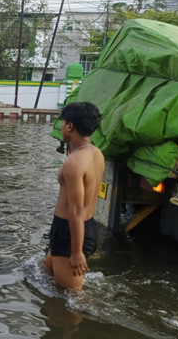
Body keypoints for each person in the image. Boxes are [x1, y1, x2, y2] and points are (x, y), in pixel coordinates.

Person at [43, 101, 105, 290]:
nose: (60, 125)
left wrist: (77, 252)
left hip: (70, 232)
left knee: (71, 298)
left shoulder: (75, 163)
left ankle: (80, 318)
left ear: (70, 126)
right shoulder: (96, 153)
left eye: (62, 121)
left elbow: (76, 210)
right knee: (44, 268)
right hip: (84, 226)